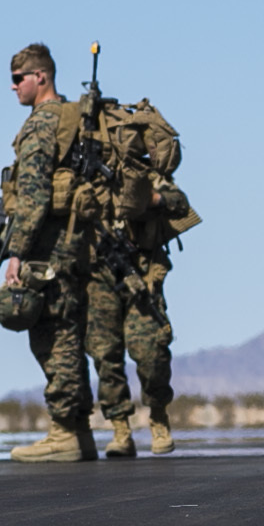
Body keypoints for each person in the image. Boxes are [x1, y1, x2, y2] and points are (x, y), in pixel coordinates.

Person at [0, 43, 99, 463]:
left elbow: (34, 195)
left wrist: (16, 252)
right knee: (69, 332)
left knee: (53, 337)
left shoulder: (41, 123)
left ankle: (63, 432)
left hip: (48, 249)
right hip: (75, 244)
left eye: (18, 78)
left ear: (41, 77)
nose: (13, 86)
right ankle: (80, 431)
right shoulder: (73, 119)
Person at [78, 90, 185, 457]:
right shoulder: (85, 179)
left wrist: (148, 201)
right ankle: (120, 429)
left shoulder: (144, 174)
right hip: (98, 272)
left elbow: (178, 201)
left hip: (140, 269)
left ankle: (158, 417)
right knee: (104, 353)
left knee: (151, 351)